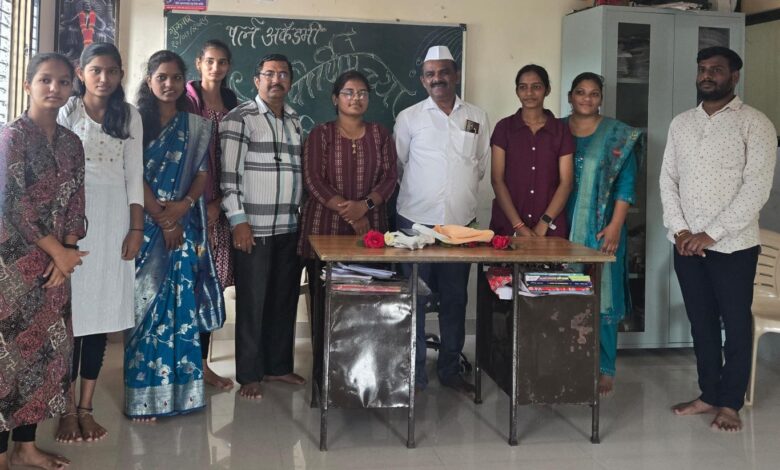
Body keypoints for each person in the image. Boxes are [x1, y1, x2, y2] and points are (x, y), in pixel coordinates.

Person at [660, 47, 777, 432]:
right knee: (702, 323)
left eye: (716, 70)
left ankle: (730, 403)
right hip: (685, 245)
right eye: (702, 69)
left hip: (733, 246)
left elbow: (756, 188)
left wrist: (710, 234)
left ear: (734, 76)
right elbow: (668, 181)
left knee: (736, 324)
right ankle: (708, 393)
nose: (707, 75)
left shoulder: (755, 123)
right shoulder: (681, 124)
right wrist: (681, 230)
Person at [124, 50, 223, 420]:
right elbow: (132, 173)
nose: (169, 84)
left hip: (184, 224)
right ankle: (142, 398)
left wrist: (184, 206)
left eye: (176, 77)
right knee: (145, 309)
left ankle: (183, 395)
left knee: (182, 309)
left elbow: (201, 174)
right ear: (149, 80)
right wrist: (164, 219)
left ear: (185, 82)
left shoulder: (196, 126)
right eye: (161, 77)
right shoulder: (134, 122)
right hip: (146, 226)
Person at [0, 52, 88, 470]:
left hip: (56, 265)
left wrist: (67, 254)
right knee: (7, 357)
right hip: (12, 264)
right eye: (45, 80)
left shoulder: (72, 143)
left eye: (63, 81)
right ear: (28, 85)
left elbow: (76, 202)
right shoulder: (11, 137)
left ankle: (25, 447)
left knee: (43, 354)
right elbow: (12, 203)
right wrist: (59, 253)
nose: (55, 88)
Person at [53, 42, 143, 444]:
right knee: (70, 318)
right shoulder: (68, 110)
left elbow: (134, 175)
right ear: (81, 73)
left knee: (101, 318)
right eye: (96, 70)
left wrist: (136, 229)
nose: (104, 78)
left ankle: (86, 407)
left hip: (114, 223)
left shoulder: (130, 115)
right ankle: (66, 409)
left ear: (121, 74)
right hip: (71, 225)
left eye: (112, 71)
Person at [394, 45, 490, 395]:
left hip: (461, 226)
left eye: (444, 72)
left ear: (456, 74)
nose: (438, 79)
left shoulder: (477, 116)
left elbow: (480, 165)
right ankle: (414, 373)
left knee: (455, 299)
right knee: (414, 300)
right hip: (414, 224)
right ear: (423, 80)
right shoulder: (409, 117)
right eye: (430, 74)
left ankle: (450, 369)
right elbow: (399, 164)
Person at [220, 53, 305, 400]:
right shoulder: (239, 118)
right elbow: (228, 177)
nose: (276, 80)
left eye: (283, 74)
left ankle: (278, 365)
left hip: (289, 225)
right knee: (253, 303)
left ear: (290, 82)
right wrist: (238, 221)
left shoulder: (295, 120)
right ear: (256, 81)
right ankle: (250, 373)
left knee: (284, 300)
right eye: (269, 74)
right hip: (253, 227)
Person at [299, 69, 398, 349]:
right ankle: (324, 364)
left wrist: (364, 206)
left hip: (370, 234)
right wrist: (352, 214)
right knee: (325, 305)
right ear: (336, 99)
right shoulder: (320, 134)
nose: (356, 98)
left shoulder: (380, 134)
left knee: (366, 304)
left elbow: (390, 178)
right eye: (349, 93)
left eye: (362, 93)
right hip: (324, 232)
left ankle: (363, 360)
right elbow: (313, 180)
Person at [564, 72, 641, 397]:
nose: (587, 98)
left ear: (600, 98)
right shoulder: (556, 129)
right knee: (564, 291)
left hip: (603, 227)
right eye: (581, 92)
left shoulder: (618, 135)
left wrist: (615, 226)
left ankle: (605, 367)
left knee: (603, 293)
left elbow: (626, 184)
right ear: (570, 96)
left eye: (594, 93)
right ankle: (569, 359)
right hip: (562, 227)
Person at [185, 39, 239, 391]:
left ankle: (202, 365)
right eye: (210, 61)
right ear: (199, 63)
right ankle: (184, 364)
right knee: (186, 286)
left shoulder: (235, 104)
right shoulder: (186, 101)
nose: (215, 68)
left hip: (222, 209)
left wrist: (221, 203)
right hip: (188, 209)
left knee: (210, 288)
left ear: (228, 66)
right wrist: (197, 203)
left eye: (221, 62)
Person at [490, 64, 574, 238]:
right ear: (517, 91)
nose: (529, 93)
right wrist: (518, 226)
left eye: (536, 87)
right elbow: (497, 180)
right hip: (508, 225)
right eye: (523, 87)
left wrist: (544, 223)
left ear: (547, 90)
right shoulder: (504, 128)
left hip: (550, 228)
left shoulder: (561, 130)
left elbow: (566, 182)